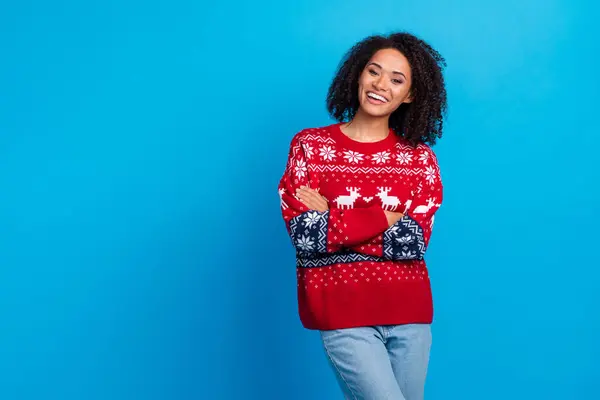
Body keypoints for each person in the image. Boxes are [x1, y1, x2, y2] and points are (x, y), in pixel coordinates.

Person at [277, 31, 447, 400]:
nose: (381, 84)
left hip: (410, 314)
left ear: (411, 95)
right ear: (358, 74)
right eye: (374, 71)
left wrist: (333, 220)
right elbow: (306, 238)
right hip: (342, 313)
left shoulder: (419, 161)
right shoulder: (311, 147)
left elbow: (412, 244)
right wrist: (383, 218)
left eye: (396, 80)